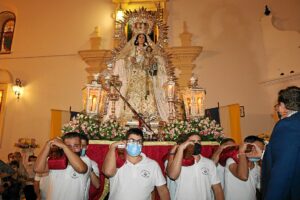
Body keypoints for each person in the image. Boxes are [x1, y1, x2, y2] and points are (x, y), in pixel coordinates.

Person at [105, 31, 169, 123]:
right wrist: (130, 60)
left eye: (143, 37)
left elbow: (154, 64)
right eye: (140, 37)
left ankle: (149, 113)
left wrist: (151, 60)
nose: (141, 39)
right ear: (136, 39)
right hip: (135, 74)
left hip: (146, 76)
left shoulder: (149, 49)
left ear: (146, 39)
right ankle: (131, 114)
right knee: (133, 92)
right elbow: (125, 60)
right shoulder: (133, 49)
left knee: (148, 93)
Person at [102, 128, 170, 200]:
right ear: (125, 142)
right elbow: (108, 172)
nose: (135, 144)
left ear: (142, 144)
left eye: (139, 141)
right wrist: (112, 147)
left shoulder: (152, 165)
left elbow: (163, 190)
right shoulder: (116, 161)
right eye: (132, 141)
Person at [262, 86, 300, 200]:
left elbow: (283, 168)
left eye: (278, 106)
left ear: (284, 106)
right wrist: (263, 154)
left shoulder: (287, 125)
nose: (277, 110)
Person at [166, 132, 224, 200]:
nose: (196, 144)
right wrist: (181, 149)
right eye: (192, 141)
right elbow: (172, 175)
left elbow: (217, 189)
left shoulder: (209, 163)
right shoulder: (177, 162)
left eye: (199, 141)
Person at [34, 132, 89, 200]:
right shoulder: (55, 160)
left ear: (81, 146)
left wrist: (65, 146)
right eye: (69, 146)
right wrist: (48, 144)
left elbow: (81, 169)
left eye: (76, 146)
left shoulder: (85, 160)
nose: (72, 149)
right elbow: (38, 169)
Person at [223, 136, 264, 200]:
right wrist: (242, 153)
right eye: (255, 148)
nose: (259, 152)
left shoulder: (257, 166)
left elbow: (260, 187)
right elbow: (243, 176)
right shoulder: (231, 161)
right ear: (246, 146)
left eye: (261, 150)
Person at [79, 134, 100, 200]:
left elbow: (97, 185)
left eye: (83, 146)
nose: (81, 148)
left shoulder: (92, 163)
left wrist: (89, 166)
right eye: (79, 145)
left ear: (87, 147)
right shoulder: (65, 161)